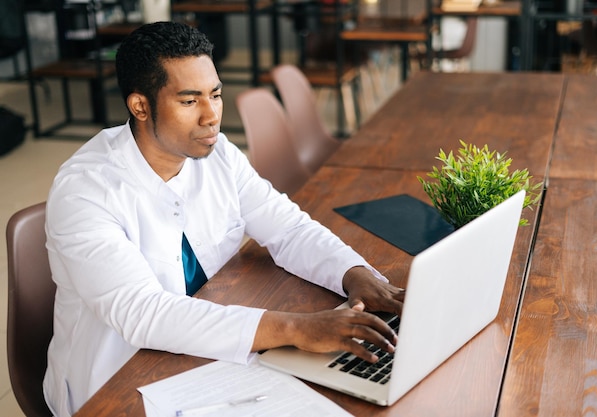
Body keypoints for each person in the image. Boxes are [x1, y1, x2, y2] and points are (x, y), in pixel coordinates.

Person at [43, 21, 404, 416]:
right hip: (121, 384)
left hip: (214, 354)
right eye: (189, 101)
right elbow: (144, 313)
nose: (211, 115)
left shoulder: (217, 153)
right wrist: (296, 328)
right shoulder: (84, 190)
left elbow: (288, 227)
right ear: (140, 106)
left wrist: (355, 274)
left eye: (215, 95)